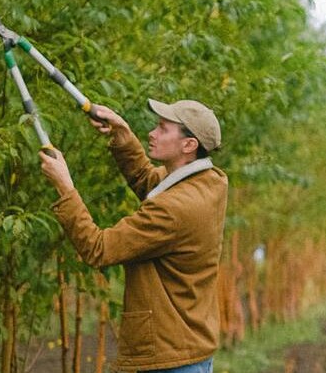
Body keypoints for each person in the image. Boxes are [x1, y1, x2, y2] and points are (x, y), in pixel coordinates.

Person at [38, 99, 228, 373]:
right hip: (187, 347)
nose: (152, 133)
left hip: (170, 359)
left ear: (189, 145)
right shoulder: (209, 182)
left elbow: (98, 248)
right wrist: (122, 134)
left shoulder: (176, 209)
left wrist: (65, 187)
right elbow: (148, 181)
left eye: (163, 129)